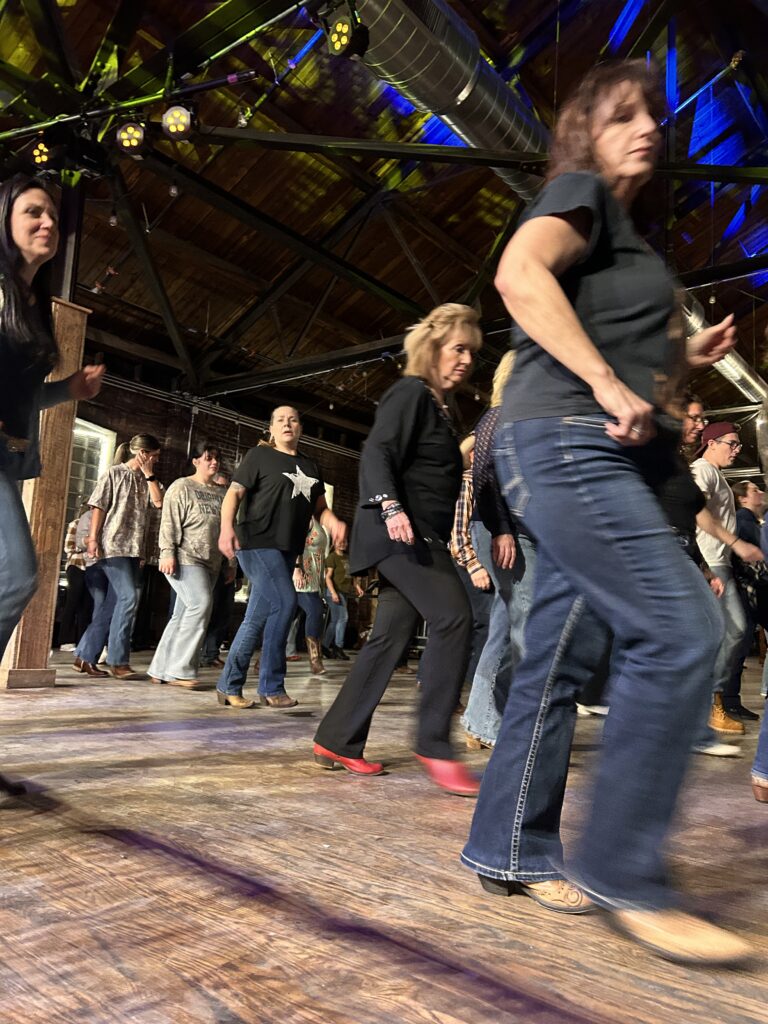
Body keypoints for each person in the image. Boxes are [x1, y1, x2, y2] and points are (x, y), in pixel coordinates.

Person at [460, 61, 751, 963]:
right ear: (586, 132)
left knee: (560, 655)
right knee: (680, 630)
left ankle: (507, 845)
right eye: (623, 114)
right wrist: (600, 378)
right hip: (567, 440)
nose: (649, 128)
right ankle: (625, 869)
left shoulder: (632, 243)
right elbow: (517, 277)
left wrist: (685, 351)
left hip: (609, 451)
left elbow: (642, 363)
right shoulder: (577, 192)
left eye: (654, 117)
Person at [313, 303, 482, 796]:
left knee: (390, 637)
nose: (467, 359)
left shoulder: (439, 408)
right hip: (397, 533)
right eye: (458, 348)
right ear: (432, 349)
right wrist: (390, 506)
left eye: (473, 351)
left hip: (418, 536)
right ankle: (434, 743)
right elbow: (378, 450)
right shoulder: (410, 392)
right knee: (453, 617)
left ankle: (337, 739)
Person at [0, 174, 105, 662]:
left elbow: (20, 396)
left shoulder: (31, 303)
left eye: (53, 216)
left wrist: (69, 389)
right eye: (33, 212)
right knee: (16, 576)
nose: (47, 223)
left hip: (8, 458)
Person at [216, 406, 345, 708]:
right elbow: (234, 494)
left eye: (293, 419)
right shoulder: (259, 456)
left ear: (300, 427)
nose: (287, 424)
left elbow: (320, 509)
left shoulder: (312, 466)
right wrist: (225, 528)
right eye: (280, 420)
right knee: (286, 602)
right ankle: (271, 686)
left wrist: (334, 521)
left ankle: (228, 684)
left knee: (255, 618)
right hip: (256, 542)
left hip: (287, 550)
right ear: (271, 428)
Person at [690, 423, 754, 733]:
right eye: (732, 443)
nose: (737, 449)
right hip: (711, 563)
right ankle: (710, 703)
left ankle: (712, 701)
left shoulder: (716, 475)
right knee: (733, 630)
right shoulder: (703, 469)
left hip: (719, 563)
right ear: (711, 443)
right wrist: (736, 543)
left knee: (727, 633)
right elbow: (695, 510)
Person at [148, 442, 227, 689]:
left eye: (216, 459)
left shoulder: (221, 493)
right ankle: (180, 670)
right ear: (195, 460)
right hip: (185, 558)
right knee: (200, 604)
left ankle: (159, 669)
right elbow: (169, 522)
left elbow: (226, 529)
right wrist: (167, 552)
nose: (213, 462)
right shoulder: (182, 486)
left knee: (182, 614)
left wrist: (230, 562)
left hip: (212, 561)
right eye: (208, 458)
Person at [84, 433, 163, 679]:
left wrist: (150, 475)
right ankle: (118, 661)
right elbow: (98, 506)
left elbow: (158, 504)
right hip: (113, 545)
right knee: (129, 598)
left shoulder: (149, 480)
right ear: (143, 453)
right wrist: (93, 538)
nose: (156, 461)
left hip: (134, 548)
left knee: (113, 604)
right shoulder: (114, 473)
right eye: (154, 456)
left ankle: (84, 656)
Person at [449, 434, 494, 696]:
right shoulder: (467, 482)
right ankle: (471, 688)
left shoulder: (485, 485)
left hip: (473, 562)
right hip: (466, 563)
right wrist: (473, 564)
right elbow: (457, 533)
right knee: (483, 623)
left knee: (469, 624)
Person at [201, 469, 237, 668]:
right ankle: (196, 654)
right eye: (220, 486)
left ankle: (211, 653)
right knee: (204, 609)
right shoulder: (208, 508)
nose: (223, 490)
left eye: (226, 487)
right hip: (206, 564)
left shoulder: (230, 511)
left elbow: (234, 539)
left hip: (225, 566)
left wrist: (233, 566)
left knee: (223, 611)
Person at [293, 518, 328, 675]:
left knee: (286, 619)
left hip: (315, 577)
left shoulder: (318, 519)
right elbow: (294, 542)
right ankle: (315, 660)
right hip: (303, 576)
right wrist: (296, 569)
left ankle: (263, 660)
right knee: (315, 610)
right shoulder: (304, 515)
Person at [58, 502, 94, 650]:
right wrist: (86, 543)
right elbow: (69, 547)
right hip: (76, 565)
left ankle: (81, 641)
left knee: (86, 605)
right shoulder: (76, 524)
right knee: (72, 602)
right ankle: (64, 640)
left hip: (91, 566)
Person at [323, 536, 364, 659]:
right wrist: (333, 593)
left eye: (344, 541)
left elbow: (352, 577)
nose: (342, 544)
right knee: (343, 618)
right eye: (339, 541)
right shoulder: (332, 558)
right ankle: (338, 647)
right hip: (334, 591)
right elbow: (328, 577)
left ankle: (324, 646)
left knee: (335, 620)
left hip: (343, 592)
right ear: (334, 543)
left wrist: (358, 587)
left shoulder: (347, 558)